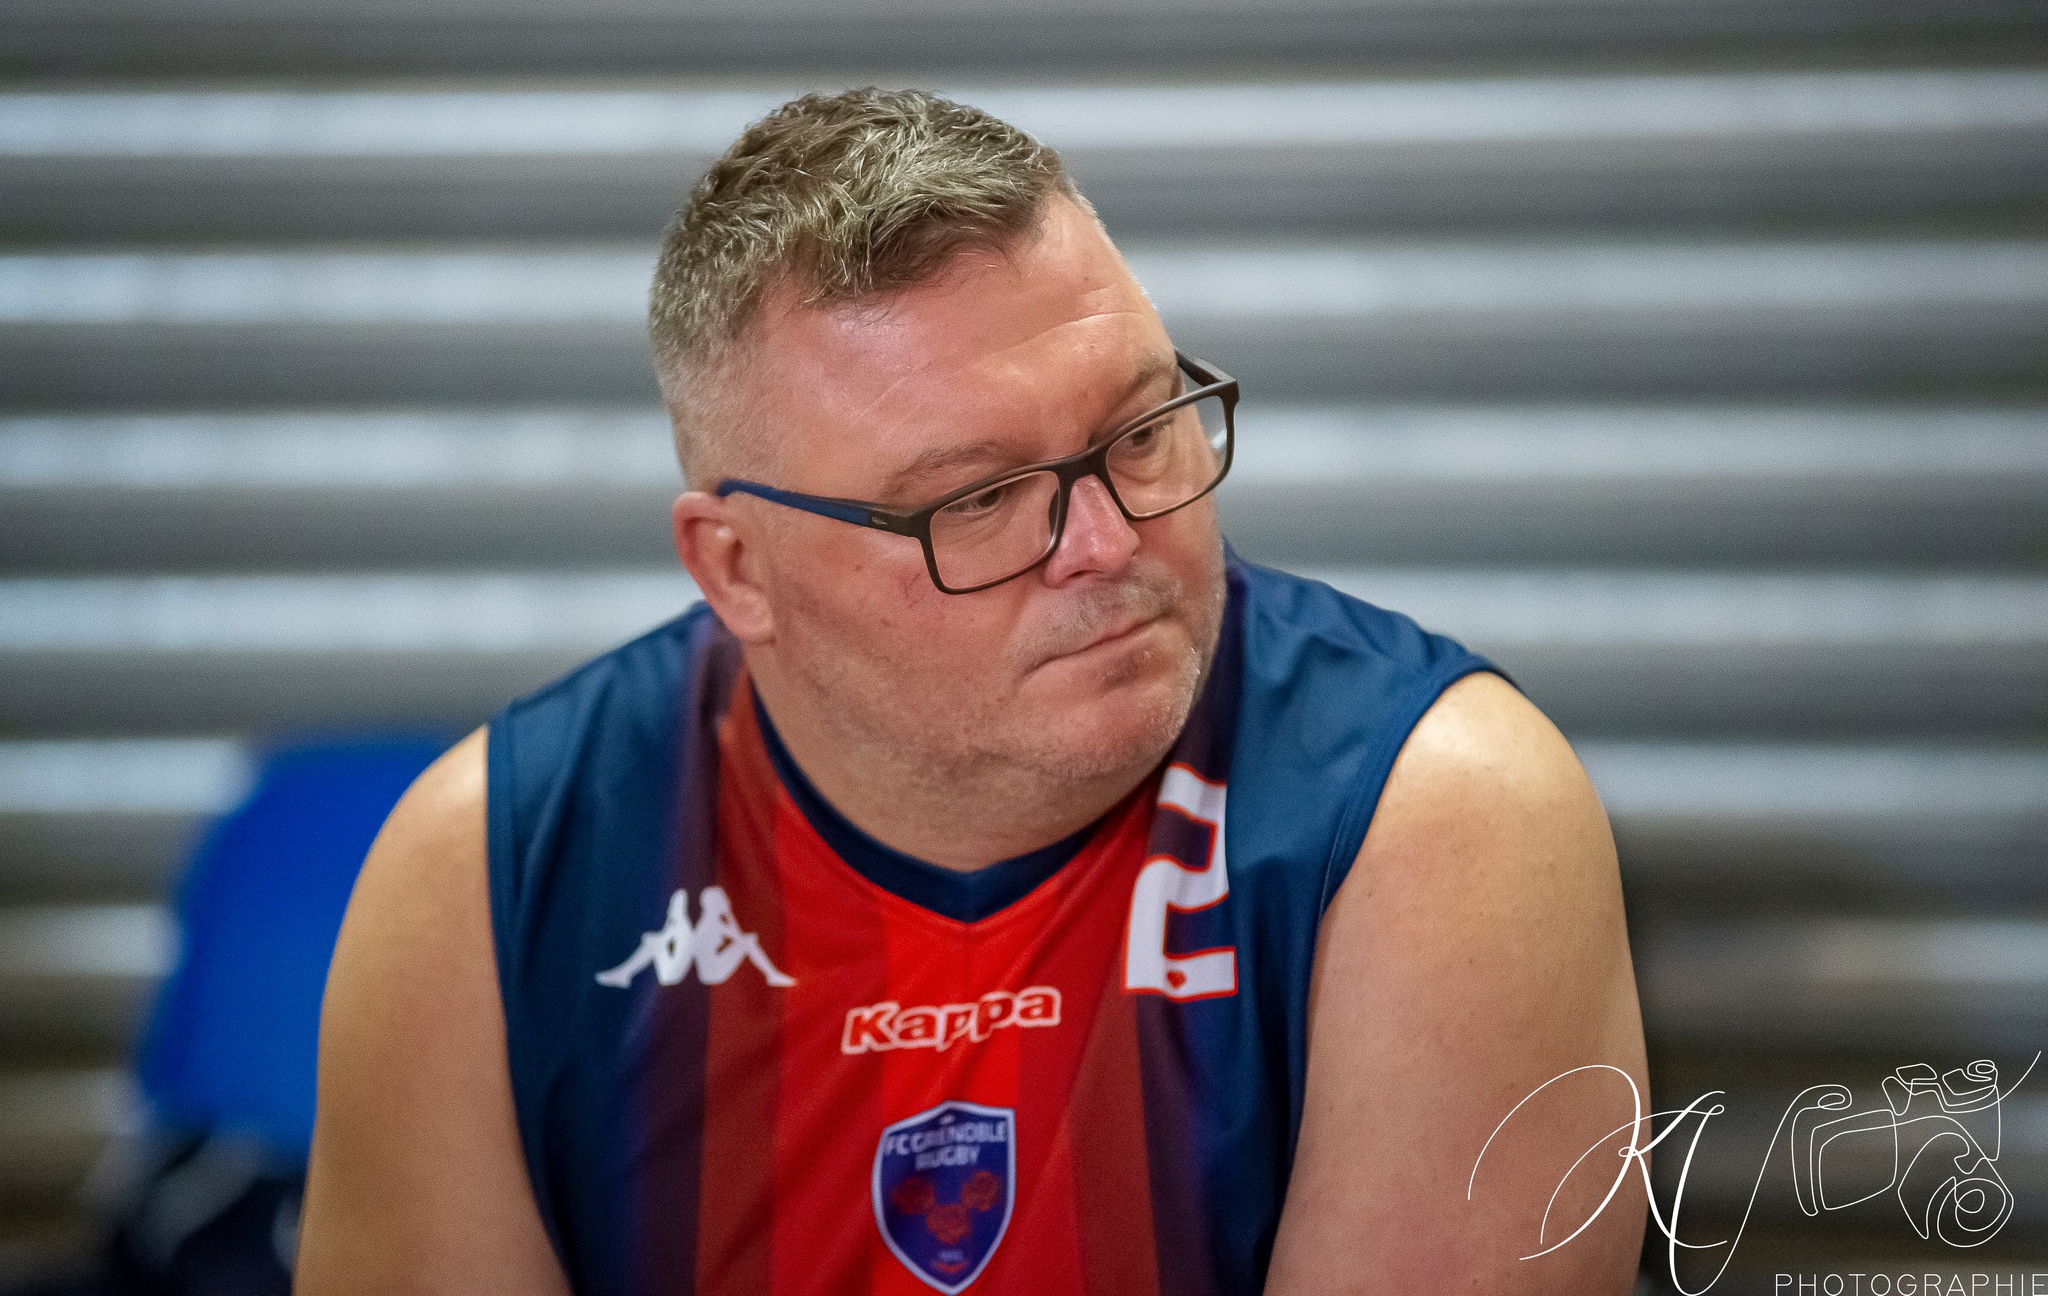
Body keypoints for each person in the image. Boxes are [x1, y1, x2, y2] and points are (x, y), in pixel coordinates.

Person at [295, 88, 1648, 1295]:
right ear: (737, 567)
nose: (1110, 543)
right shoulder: (489, 873)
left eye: (1140, 427)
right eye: (981, 500)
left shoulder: (1430, 814)